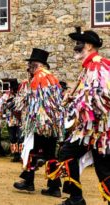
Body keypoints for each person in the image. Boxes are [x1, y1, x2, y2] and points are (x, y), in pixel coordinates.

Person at [46, 27, 110, 205]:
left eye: (79, 44)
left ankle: (76, 198)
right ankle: (75, 198)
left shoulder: (98, 65)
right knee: (101, 166)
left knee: (102, 167)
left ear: (89, 46)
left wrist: (78, 103)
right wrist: (75, 97)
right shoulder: (88, 68)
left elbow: (102, 96)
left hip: (98, 129)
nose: (75, 47)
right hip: (91, 129)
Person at [13, 48, 64, 198]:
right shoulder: (52, 78)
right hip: (52, 123)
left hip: (41, 124)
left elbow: (36, 103)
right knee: (49, 155)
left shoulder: (38, 78)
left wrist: (21, 106)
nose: (27, 67)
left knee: (31, 151)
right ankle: (53, 187)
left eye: (29, 64)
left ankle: (30, 182)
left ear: (35, 64)